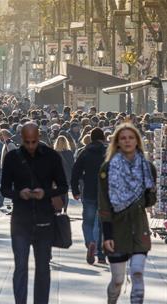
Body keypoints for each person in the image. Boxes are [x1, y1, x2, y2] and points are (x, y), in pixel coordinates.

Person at [1, 122, 67, 304]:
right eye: (27, 142)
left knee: (43, 269)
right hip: (20, 220)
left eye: (34, 141)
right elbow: (4, 189)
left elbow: (63, 186)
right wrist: (18, 194)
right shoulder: (12, 158)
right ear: (22, 139)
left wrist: (46, 193)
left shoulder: (51, 157)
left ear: (39, 138)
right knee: (21, 267)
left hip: (45, 219)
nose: (31, 145)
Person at [98, 123, 156, 304]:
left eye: (131, 137)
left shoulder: (147, 167)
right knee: (117, 280)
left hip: (139, 228)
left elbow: (150, 201)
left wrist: (148, 193)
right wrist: (107, 234)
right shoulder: (107, 169)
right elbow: (104, 203)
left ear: (137, 141)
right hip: (116, 228)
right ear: (117, 142)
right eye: (123, 138)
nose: (127, 141)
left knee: (138, 273)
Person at [71, 127, 106, 265]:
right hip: (104, 193)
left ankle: (90, 242)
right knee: (102, 223)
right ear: (103, 138)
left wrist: (75, 190)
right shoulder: (108, 152)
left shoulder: (84, 152)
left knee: (88, 221)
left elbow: (75, 172)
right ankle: (101, 253)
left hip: (89, 191)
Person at [53, 135, 74, 212]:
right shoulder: (69, 153)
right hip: (67, 175)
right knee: (65, 192)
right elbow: (72, 165)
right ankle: (65, 208)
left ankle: (58, 207)